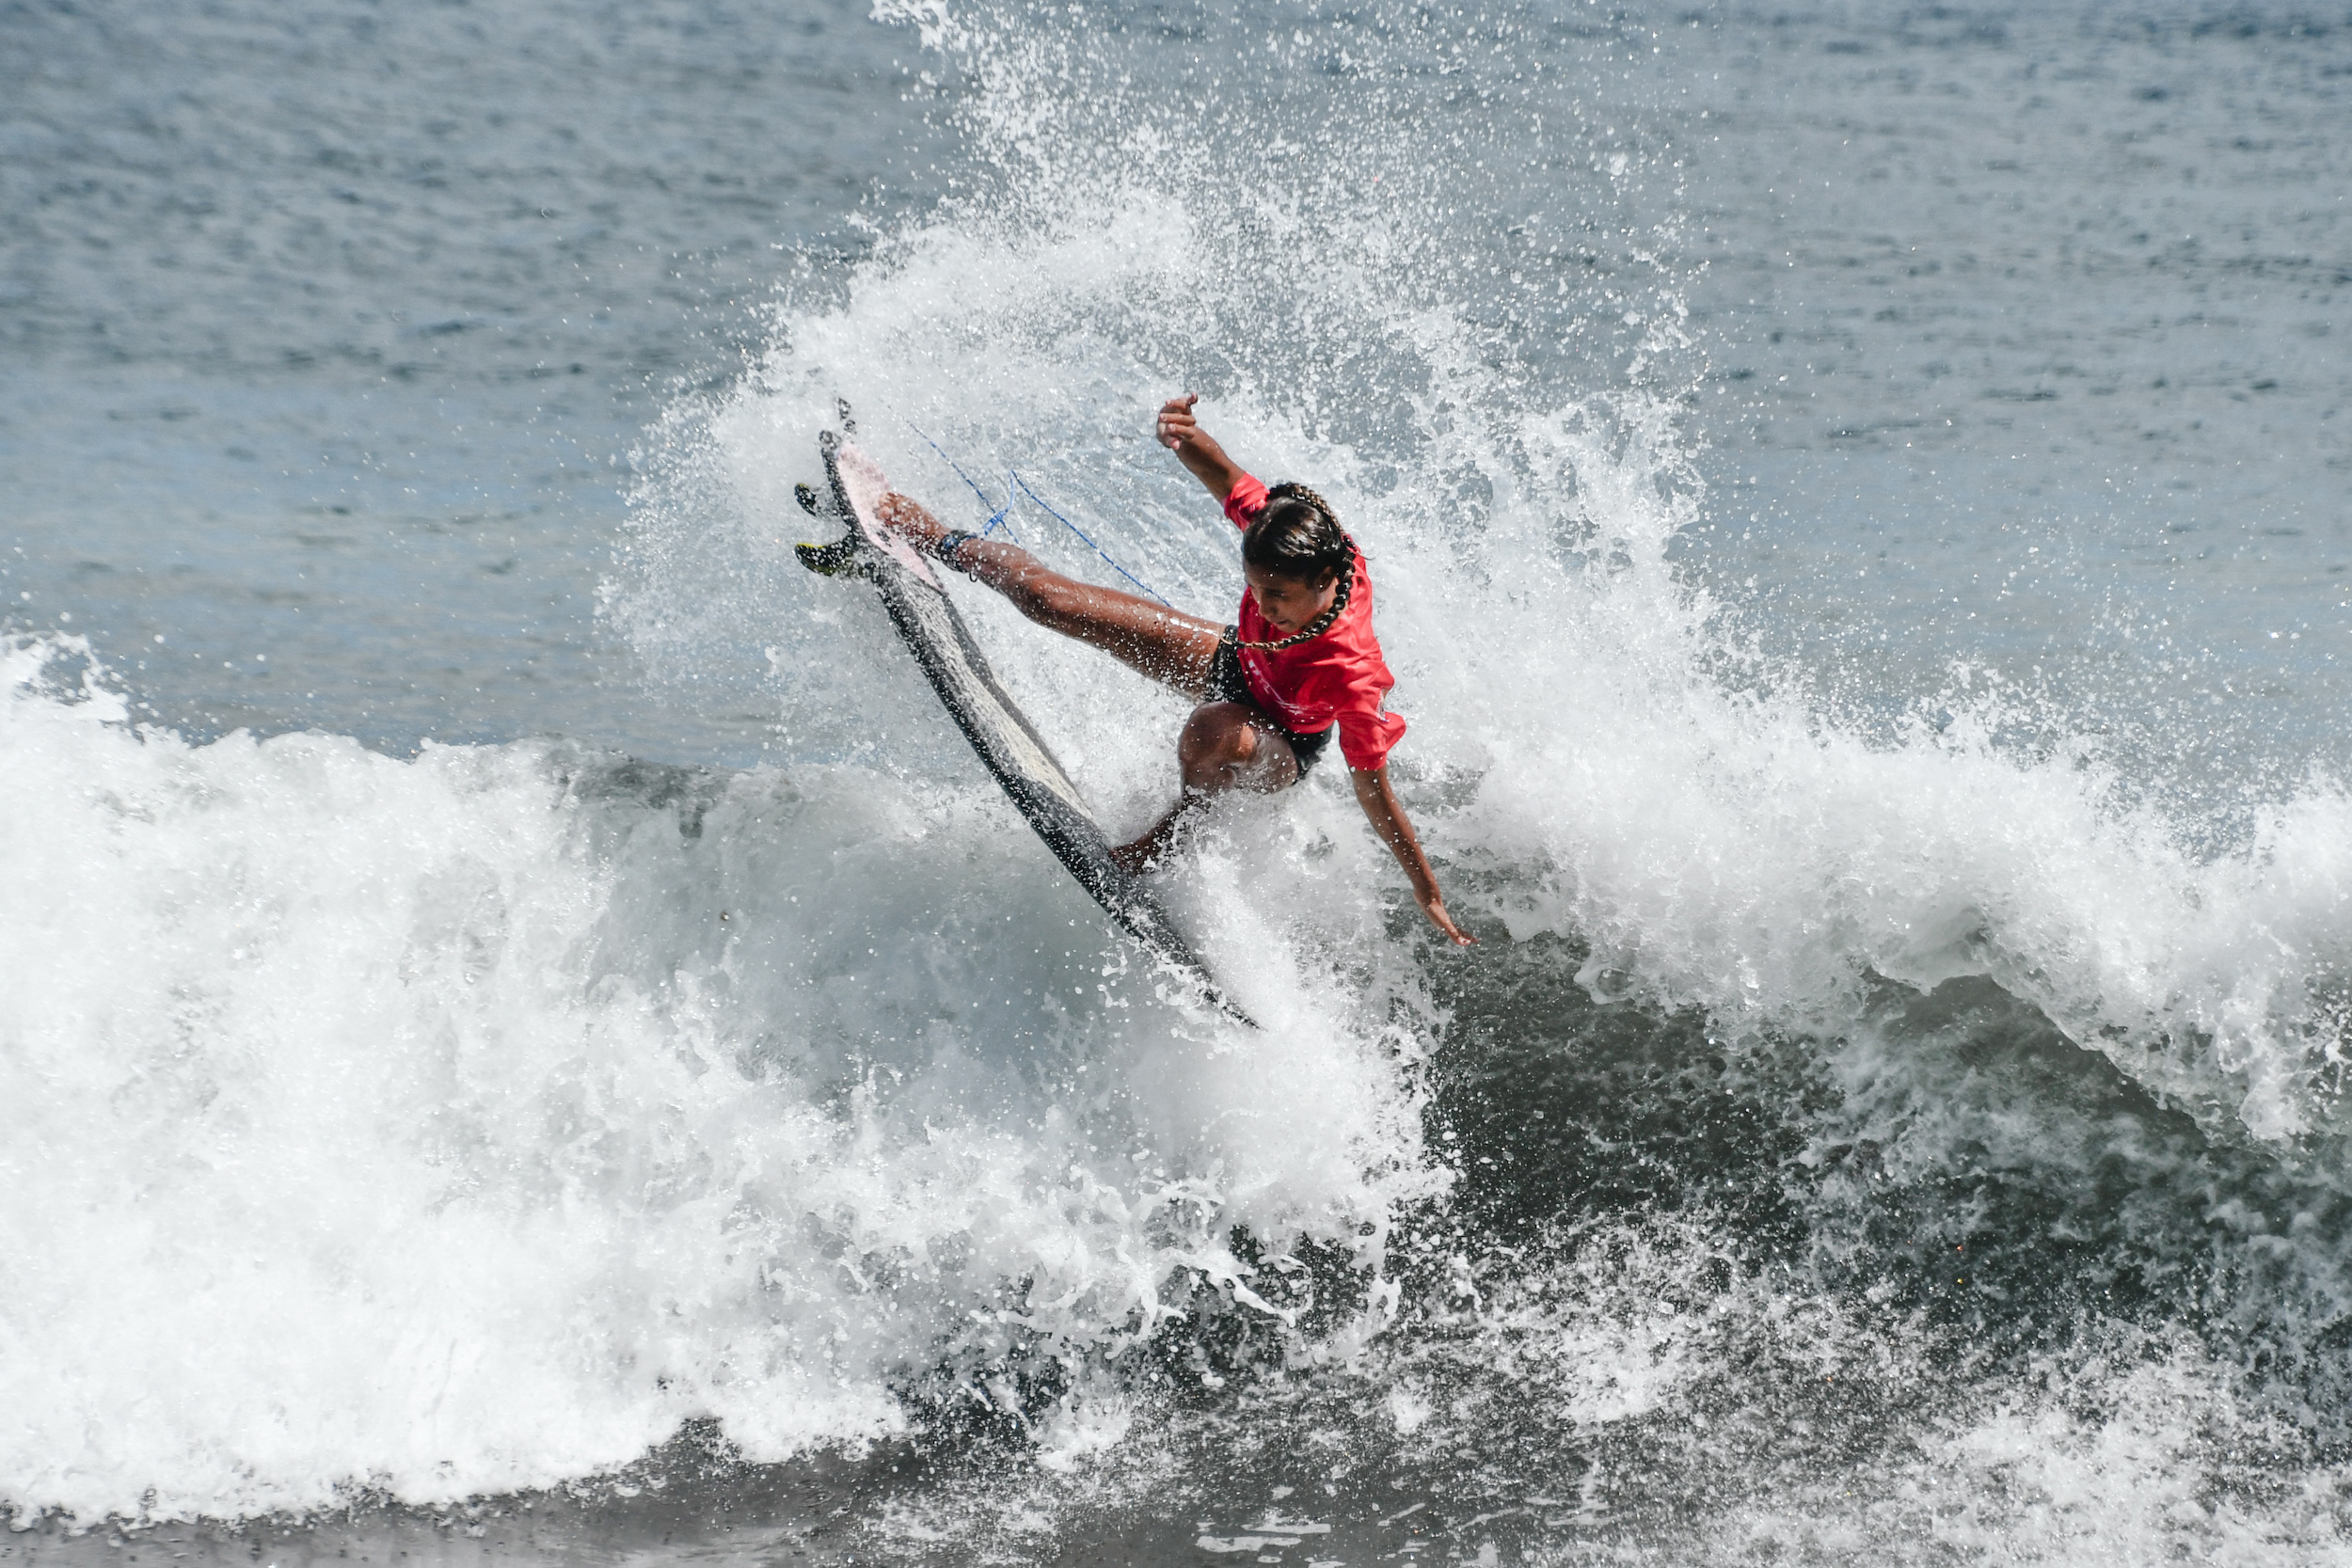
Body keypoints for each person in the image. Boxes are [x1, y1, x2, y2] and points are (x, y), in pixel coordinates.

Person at [872, 394, 1475, 946]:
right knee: (1048, 601)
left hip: (1285, 745)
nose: (1264, 607)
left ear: (1325, 581)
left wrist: (1425, 888)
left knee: (1215, 730)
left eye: (1278, 597)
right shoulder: (1279, 533)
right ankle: (937, 538)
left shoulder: (1353, 669)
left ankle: (1169, 839)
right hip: (1233, 661)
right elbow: (1226, 476)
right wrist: (1182, 434)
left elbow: (1374, 790)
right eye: (1254, 588)